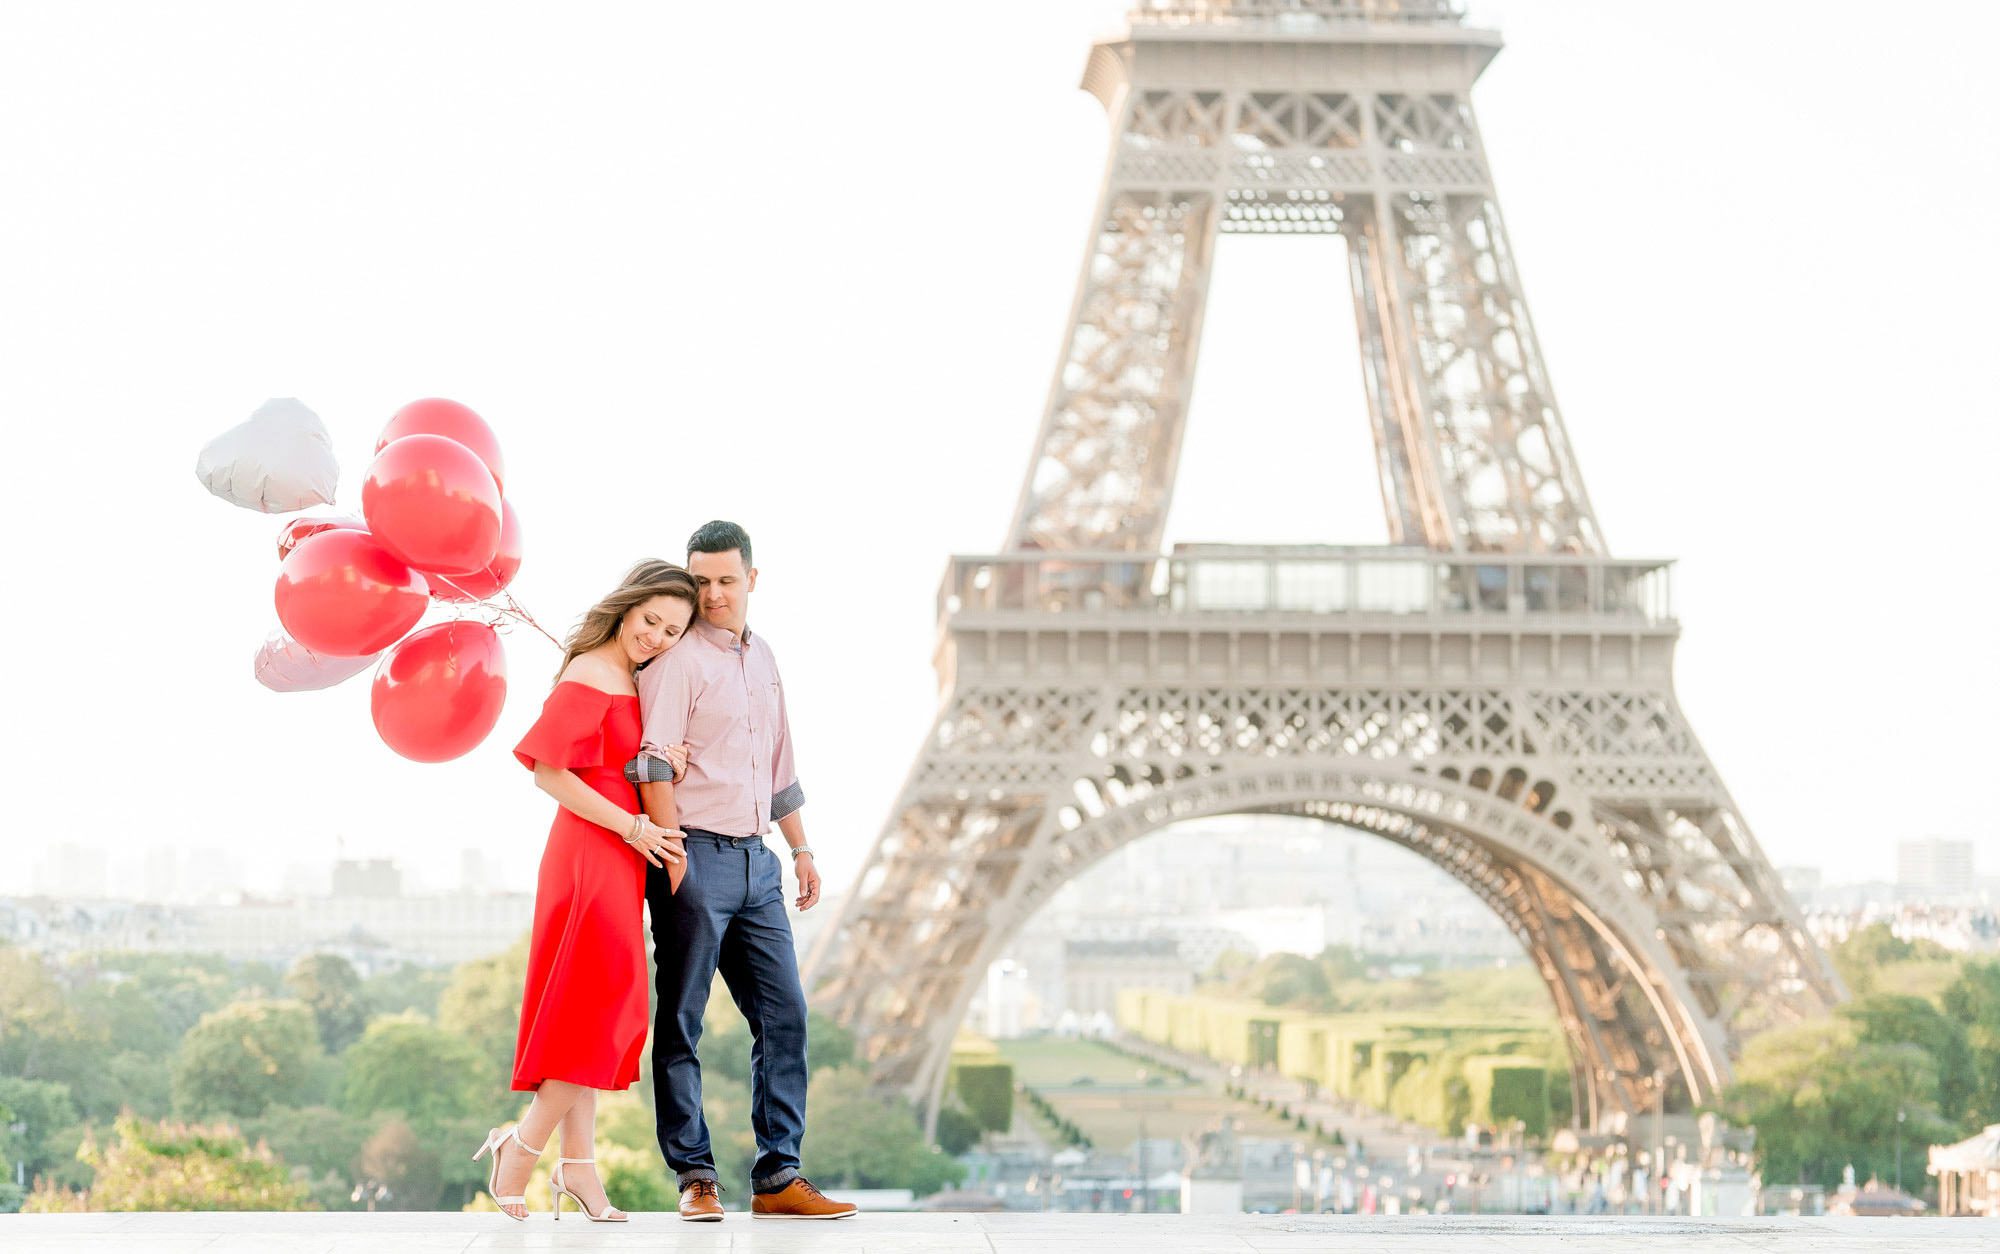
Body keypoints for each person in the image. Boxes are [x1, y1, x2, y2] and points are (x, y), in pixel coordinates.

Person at [627, 520, 857, 1221]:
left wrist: (802, 850)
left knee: (785, 1017)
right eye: (701, 581)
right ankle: (695, 1177)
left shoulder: (765, 659)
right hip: (695, 854)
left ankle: (779, 1174)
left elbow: (779, 765)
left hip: (759, 863)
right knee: (683, 1023)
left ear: (752, 579)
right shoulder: (677, 661)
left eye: (727, 580)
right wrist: (675, 858)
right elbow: (652, 762)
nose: (713, 594)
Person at [472, 560, 698, 1222]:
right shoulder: (592, 672)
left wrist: (666, 766)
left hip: (619, 854)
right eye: (651, 620)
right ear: (626, 608)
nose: (657, 636)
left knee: (587, 1011)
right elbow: (549, 771)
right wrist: (633, 826)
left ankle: (579, 1169)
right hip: (592, 854)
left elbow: (621, 763)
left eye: (672, 631)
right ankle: (521, 1145)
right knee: (601, 1006)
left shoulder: (631, 677)